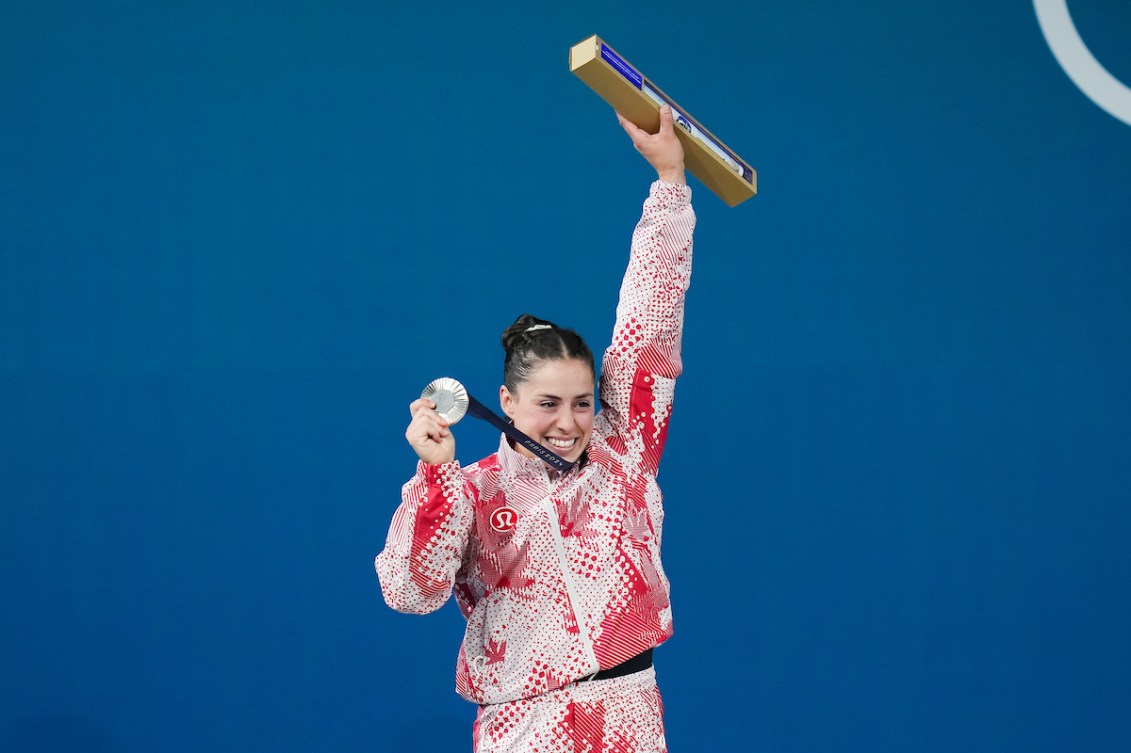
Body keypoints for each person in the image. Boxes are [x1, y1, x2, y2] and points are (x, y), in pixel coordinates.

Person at [376, 104, 696, 753]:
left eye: (582, 402)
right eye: (547, 403)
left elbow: (649, 318)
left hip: (628, 715)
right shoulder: (472, 490)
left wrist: (668, 184)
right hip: (526, 727)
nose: (568, 421)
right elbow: (411, 592)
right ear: (505, 401)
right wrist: (434, 473)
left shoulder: (622, 446)